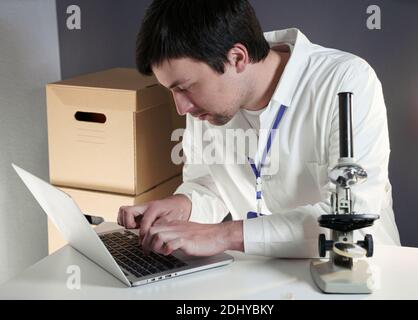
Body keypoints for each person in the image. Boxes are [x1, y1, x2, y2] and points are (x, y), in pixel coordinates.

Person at [117, 0, 401, 258]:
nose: (181, 107)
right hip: (264, 274)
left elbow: (353, 219)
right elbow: (209, 183)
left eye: (186, 88)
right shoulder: (206, 106)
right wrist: (182, 205)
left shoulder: (346, 81)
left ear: (237, 58)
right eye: (172, 91)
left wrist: (225, 235)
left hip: (356, 271)